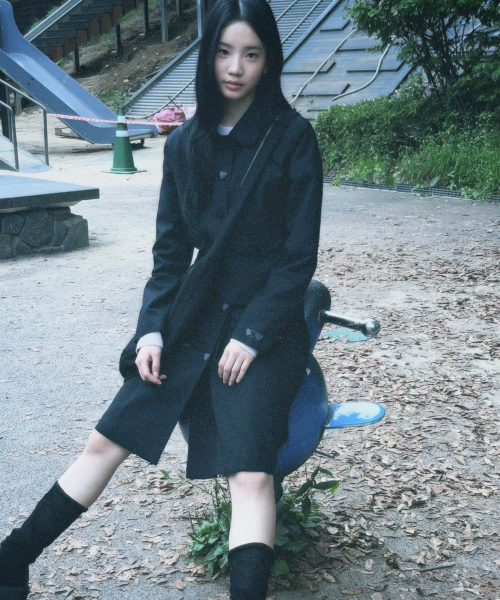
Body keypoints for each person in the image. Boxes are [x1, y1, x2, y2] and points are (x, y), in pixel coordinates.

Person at [0, 0, 323, 597]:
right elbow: (170, 253)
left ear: (268, 60)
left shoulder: (293, 139)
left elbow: (297, 260)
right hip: (192, 317)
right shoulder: (184, 145)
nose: (236, 67)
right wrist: (151, 330)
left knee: (250, 476)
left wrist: (251, 336)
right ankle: (11, 559)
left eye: (251, 54)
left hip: (264, 326)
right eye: (224, 52)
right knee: (106, 441)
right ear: (207, 56)